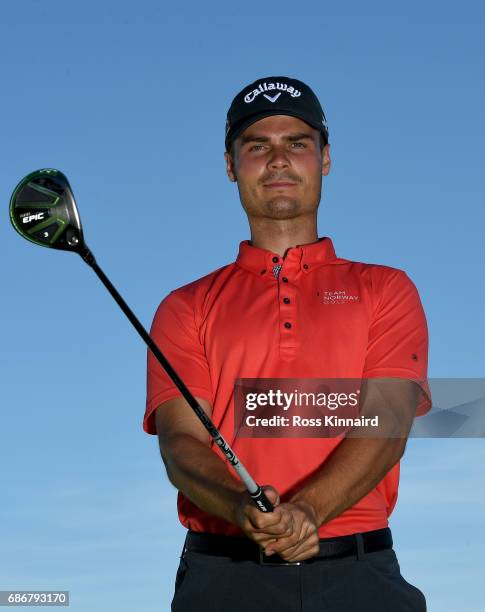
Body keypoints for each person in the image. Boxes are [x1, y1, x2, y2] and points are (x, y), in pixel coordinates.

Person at [143, 76, 431, 611]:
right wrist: (238, 505)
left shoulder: (386, 288)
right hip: (223, 580)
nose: (279, 160)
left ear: (324, 159)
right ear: (232, 166)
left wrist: (310, 512)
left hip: (360, 575)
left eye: (297, 143)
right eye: (258, 147)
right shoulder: (185, 306)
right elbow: (181, 445)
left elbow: (388, 419)